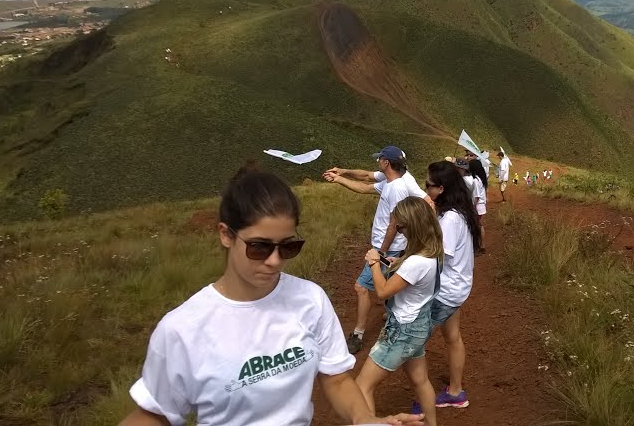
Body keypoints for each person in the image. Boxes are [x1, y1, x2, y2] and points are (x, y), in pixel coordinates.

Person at [119, 166, 423, 426]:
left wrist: (364, 419)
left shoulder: (310, 300)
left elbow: (337, 379)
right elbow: (154, 415)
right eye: (259, 247)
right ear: (225, 235)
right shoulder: (182, 329)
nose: (275, 261)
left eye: (287, 247)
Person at [356, 197, 443, 426]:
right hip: (419, 325)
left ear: (412, 226)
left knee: (361, 386)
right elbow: (411, 272)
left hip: (401, 331)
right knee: (420, 380)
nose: (399, 231)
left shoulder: (416, 262)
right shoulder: (432, 253)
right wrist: (398, 261)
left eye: (401, 227)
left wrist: (375, 262)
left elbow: (383, 292)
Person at [324, 145, 419, 354]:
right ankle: (392, 313)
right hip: (392, 247)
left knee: (362, 287)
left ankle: (358, 334)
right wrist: (340, 176)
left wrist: (381, 251)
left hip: (388, 248)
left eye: (380, 159)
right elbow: (365, 184)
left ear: (386, 162)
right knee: (386, 282)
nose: (377, 162)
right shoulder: (391, 181)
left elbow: (395, 222)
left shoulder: (396, 189)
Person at [417, 161, 481, 412]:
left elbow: (435, 255)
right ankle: (455, 391)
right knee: (452, 337)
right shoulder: (460, 212)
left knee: (412, 343)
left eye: (428, 186)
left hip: (446, 291)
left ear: (441, 189)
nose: (426, 190)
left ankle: (425, 402)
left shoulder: (451, 219)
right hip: (458, 288)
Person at [454, 158, 487, 255]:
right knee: (478, 226)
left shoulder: (475, 180)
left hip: (477, 206)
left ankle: (478, 246)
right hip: (479, 206)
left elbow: (476, 196)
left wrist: (472, 208)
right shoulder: (477, 179)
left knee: (476, 227)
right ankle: (480, 246)